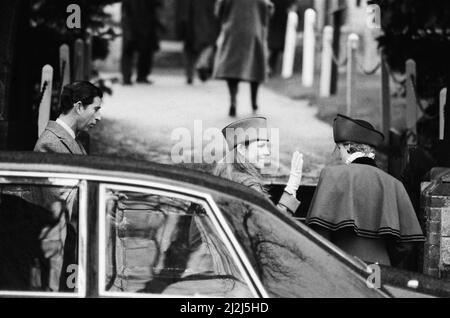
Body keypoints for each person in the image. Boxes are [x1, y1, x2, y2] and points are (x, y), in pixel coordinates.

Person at [306, 114, 425, 267]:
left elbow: (318, 233)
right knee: (373, 291)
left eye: (339, 148)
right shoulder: (394, 184)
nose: (339, 154)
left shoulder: (331, 175)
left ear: (348, 146)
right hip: (379, 269)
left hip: (341, 266)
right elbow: (406, 244)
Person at [32, 81, 103, 291]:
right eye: (95, 109)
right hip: (58, 252)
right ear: (79, 107)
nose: (98, 117)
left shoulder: (73, 141)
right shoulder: (50, 144)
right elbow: (60, 204)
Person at [214, 117, 303, 215]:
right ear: (241, 149)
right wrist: (291, 188)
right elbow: (269, 226)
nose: (267, 152)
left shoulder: (224, 173)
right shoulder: (249, 186)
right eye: (261, 146)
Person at [213, 0, 273, 117]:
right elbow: (268, 10)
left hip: (233, 32)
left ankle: (233, 101)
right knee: (255, 66)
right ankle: (254, 102)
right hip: (253, 32)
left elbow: (219, 11)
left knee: (232, 69)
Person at [175, 0, 220, 84]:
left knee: (190, 50)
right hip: (205, 24)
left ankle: (190, 74)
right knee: (206, 46)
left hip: (192, 24)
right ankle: (201, 64)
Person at [121, 0, 163, 85]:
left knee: (141, 50)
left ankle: (135, 76)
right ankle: (131, 76)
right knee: (131, 50)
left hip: (142, 22)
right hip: (138, 23)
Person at [268, 0, 297, 75]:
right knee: (275, 48)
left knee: (277, 48)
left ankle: (274, 68)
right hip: (277, 24)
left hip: (283, 24)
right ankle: (271, 68)